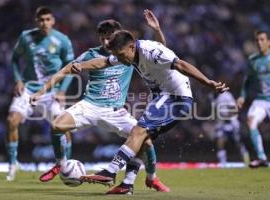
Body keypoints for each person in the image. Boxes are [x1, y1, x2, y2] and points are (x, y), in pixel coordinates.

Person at [58, 30, 229, 189]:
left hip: (174, 97)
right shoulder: (126, 53)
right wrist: (81, 65)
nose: (121, 60)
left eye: (122, 55)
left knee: (138, 130)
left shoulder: (150, 51)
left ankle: (110, 172)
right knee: (143, 138)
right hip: (164, 97)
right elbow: (103, 62)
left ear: (131, 47)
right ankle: (127, 184)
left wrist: (208, 82)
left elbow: (181, 64)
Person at [32, 10, 170, 194]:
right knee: (56, 126)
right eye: (102, 38)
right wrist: (41, 92)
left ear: (118, 37)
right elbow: (65, 70)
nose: (105, 42)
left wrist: (157, 29)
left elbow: (160, 49)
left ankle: (151, 178)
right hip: (89, 105)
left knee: (145, 141)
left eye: (109, 38)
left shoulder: (128, 52)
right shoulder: (90, 55)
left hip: (115, 111)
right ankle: (61, 164)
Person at [6, 6, 74, 181]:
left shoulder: (62, 40)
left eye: (48, 19)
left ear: (53, 20)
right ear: (36, 21)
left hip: (52, 92)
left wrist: (62, 90)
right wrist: (17, 79)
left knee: (63, 126)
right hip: (29, 88)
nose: (45, 23)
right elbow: (14, 59)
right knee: (11, 121)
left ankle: (66, 165)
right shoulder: (26, 37)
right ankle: (13, 164)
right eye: (41, 20)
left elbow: (70, 68)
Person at [237, 30, 270, 168]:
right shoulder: (253, 60)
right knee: (251, 120)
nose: (259, 42)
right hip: (261, 100)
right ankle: (261, 157)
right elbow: (247, 81)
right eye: (257, 40)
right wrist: (242, 96)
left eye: (262, 39)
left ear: (269, 42)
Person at [211, 91, 249, 165]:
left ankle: (246, 162)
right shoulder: (212, 96)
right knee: (220, 143)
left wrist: (228, 116)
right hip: (221, 123)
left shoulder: (227, 95)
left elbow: (234, 107)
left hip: (231, 122)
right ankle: (222, 163)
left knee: (238, 143)